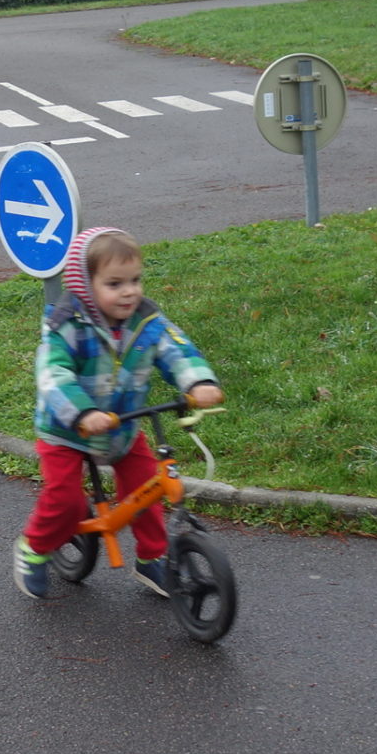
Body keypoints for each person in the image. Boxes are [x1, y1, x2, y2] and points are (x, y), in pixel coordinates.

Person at [14, 226, 224, 600]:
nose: (129, 292)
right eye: (115, 284)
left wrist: (197, 382)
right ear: (85, 287)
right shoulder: (67, 326)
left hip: (121, 428)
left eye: (135, 280)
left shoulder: (147, 322)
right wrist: (82, 412)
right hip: (67, 430)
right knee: (66, 501)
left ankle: (152, 558)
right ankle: (34, 548)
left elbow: (177, 349)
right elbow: (53, 374)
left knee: (146, 488)